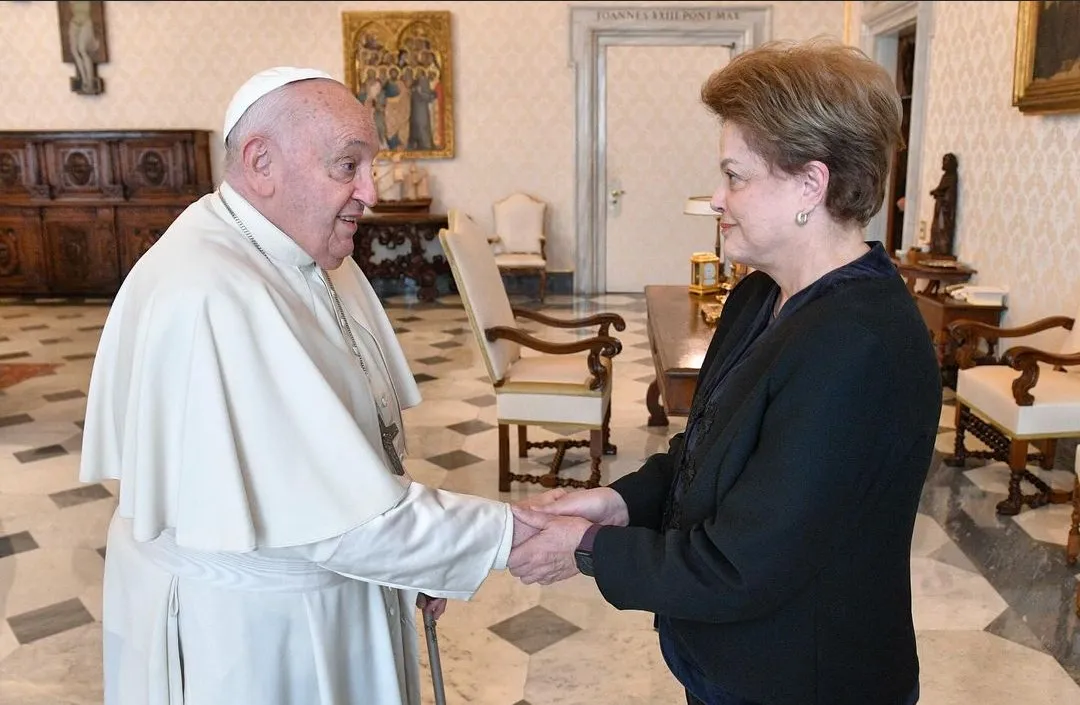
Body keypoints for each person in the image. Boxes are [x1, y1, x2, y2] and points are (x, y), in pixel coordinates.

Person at [80, 66, 535, 704]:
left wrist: (422, 556)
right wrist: (510, 536)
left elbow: (346, 460)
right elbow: (336, 523)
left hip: (331, 589)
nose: (369, 192)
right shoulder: (212, 290)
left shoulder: (307, 250)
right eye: (348, 166)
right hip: (258, 635)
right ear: (261, 162)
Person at [509, 39, 941, 705]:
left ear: (810, 185)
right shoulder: (760, 295)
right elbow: (714, 455)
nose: (716, 198)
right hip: (733, 665)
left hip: (805, 681)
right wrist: (618, 503)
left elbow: (744, 562)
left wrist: (589, 548)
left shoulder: (861, 345)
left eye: (735, 176)